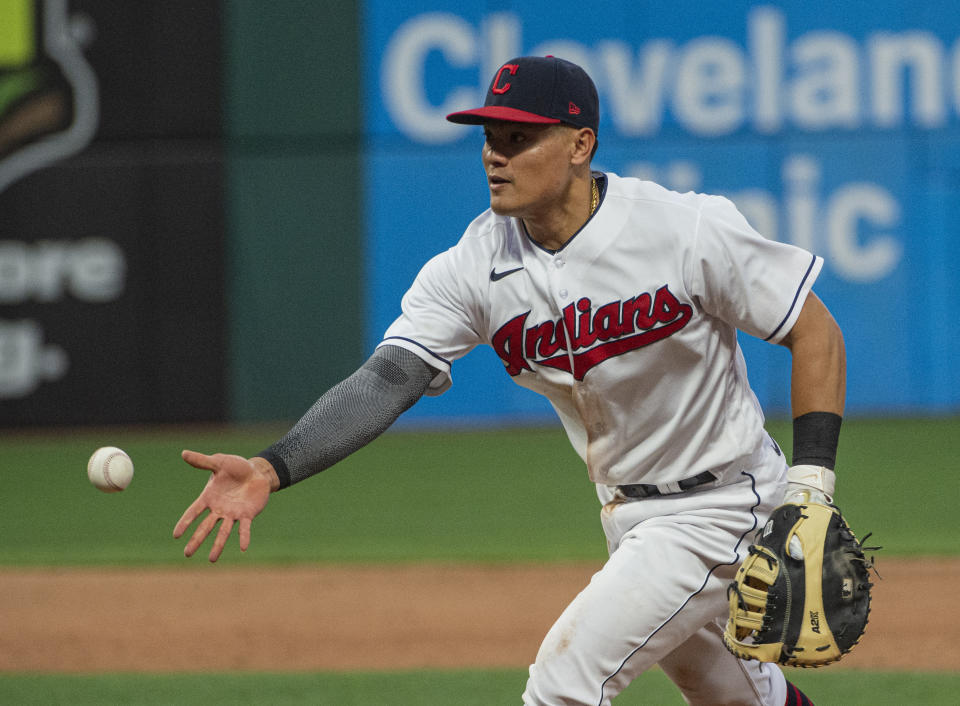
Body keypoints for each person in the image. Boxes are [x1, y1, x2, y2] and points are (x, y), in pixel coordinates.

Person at [174, 56, 845, 706]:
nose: (496, 155)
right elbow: (390, 377)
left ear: (580, 144)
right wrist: (273, 466)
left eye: (520, 138)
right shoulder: (473, 266)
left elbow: (814, 331)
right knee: (735, 698)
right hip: (627, 514)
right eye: (491, 138)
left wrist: (811, 489)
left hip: (723, 504)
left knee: (563, 683)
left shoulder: (683, 228)